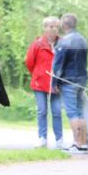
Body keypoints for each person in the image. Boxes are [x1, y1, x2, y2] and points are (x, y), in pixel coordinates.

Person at [51, 13, 88, 153]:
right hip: (82, 80)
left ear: (64, 24)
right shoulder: (83, 40)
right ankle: (83, 144)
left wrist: (54, 83)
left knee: (72, 112)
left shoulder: (64, 41)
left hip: (69, 81)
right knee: (80, 111)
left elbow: (58, 66)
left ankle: (77, 144)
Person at [24, 16, 64, 149]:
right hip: (39, 83)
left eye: (56, 27)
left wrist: (59, 78)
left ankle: (59, 140)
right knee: (42, 111)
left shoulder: (63, 44)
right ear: (45, 28)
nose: (54, 29)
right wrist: (38, 74)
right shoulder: (37, 44)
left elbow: (67, 63)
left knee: (57, 111)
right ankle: (42, 138)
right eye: (51, 26)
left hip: (56, 85)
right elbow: (29, 62)